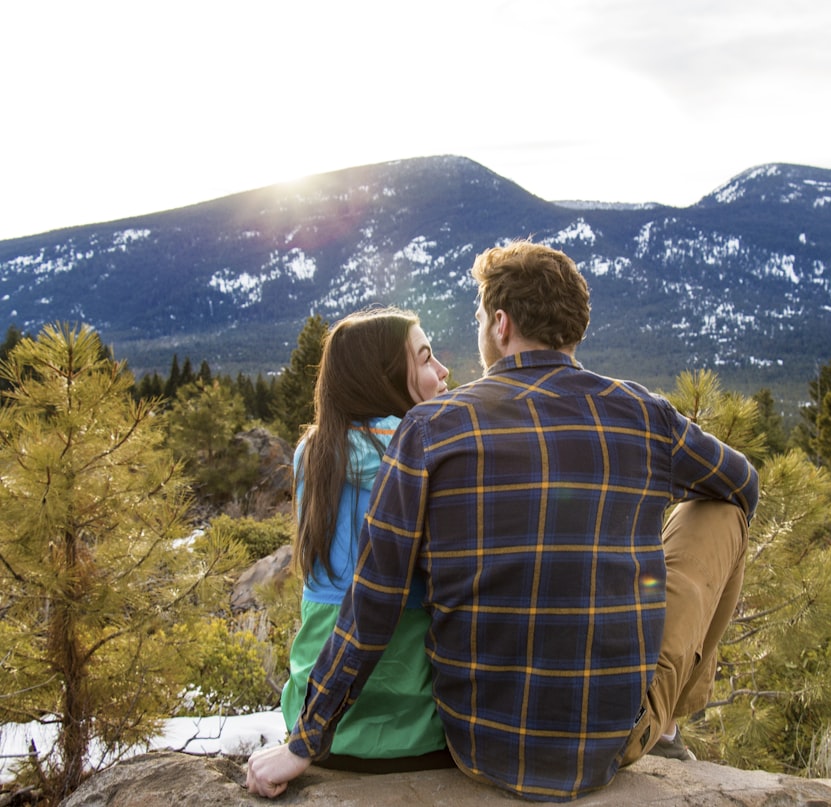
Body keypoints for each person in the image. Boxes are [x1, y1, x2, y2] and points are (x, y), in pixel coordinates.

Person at [247, 241, 759, 802]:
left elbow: (374, 597)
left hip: (478, 745)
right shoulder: (644, 413)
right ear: (574, 327)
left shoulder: (430, 429)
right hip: (610, 743)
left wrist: (305, 740)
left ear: (500, 323)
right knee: (722, 506)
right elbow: (742, 484)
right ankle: (669, 718)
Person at [278, 306, 452, 772]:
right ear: (387, 377)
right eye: (426, 358)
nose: (442, 370)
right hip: (417, 727)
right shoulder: (431, 451)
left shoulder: (312, 453)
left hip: (318, 725)